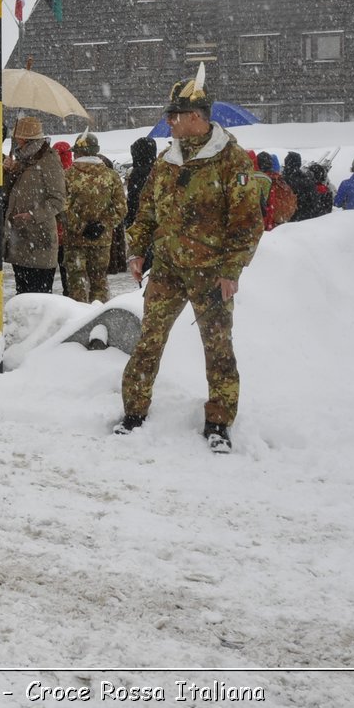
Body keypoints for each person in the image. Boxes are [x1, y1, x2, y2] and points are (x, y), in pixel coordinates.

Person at [115, 71, 264, 454]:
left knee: (217, 349)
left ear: (196, 116)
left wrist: (231, 270)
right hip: (167, 267)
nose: (170, 122)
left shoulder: (231, 160)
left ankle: (218, 422)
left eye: (175, 115)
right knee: (149, 339)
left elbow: (247, 223)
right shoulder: (168, 160)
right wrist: (137, 250)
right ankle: (133, 412)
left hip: (211, 273)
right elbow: (146, 209)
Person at [2, 117, 66, 295]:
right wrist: (10, 170)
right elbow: (10, 193)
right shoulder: (24, 159)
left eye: (18, 138)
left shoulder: (48, 160)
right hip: (20, 240)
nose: (15, 141)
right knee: (22, 295)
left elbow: (58, 199)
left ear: (25, 139)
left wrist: (33, 215)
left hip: (40, 241)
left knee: (40, 297)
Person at [62, 133, 126, 303]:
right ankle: (99, 320)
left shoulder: (67, 176)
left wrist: (81, 226)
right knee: (99, 282)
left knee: (77, 284)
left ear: (77, 153)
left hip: (75, 240)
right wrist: (102, 225)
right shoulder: (111, 176)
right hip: (102, 240)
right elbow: (120, 207)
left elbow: (63, 207)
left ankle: (78, 320)